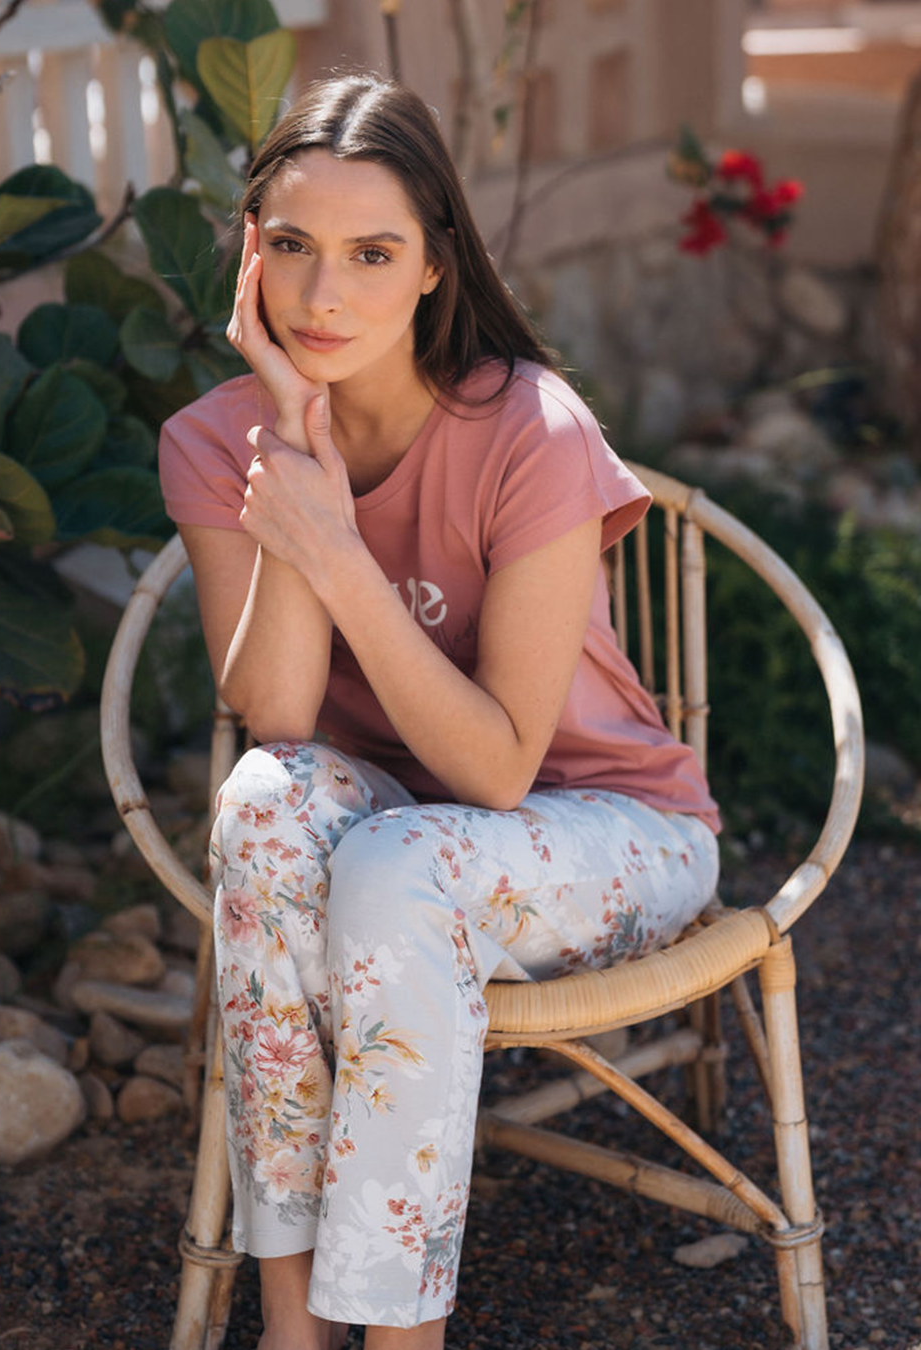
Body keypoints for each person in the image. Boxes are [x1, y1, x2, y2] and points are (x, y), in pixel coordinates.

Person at [158, 72, 720, 1350]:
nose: (323, 294)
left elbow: (501, 771)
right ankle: (294, 1330)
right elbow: (280, 714)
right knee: (262, 809)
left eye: (372, 253)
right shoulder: (216, 440)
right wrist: (293, 442)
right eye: (292, 246)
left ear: (432, 268)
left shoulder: (529, 427)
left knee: (394, 866)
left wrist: (336, 550)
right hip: (392, 838)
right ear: (250, 254)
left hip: (610, 828)